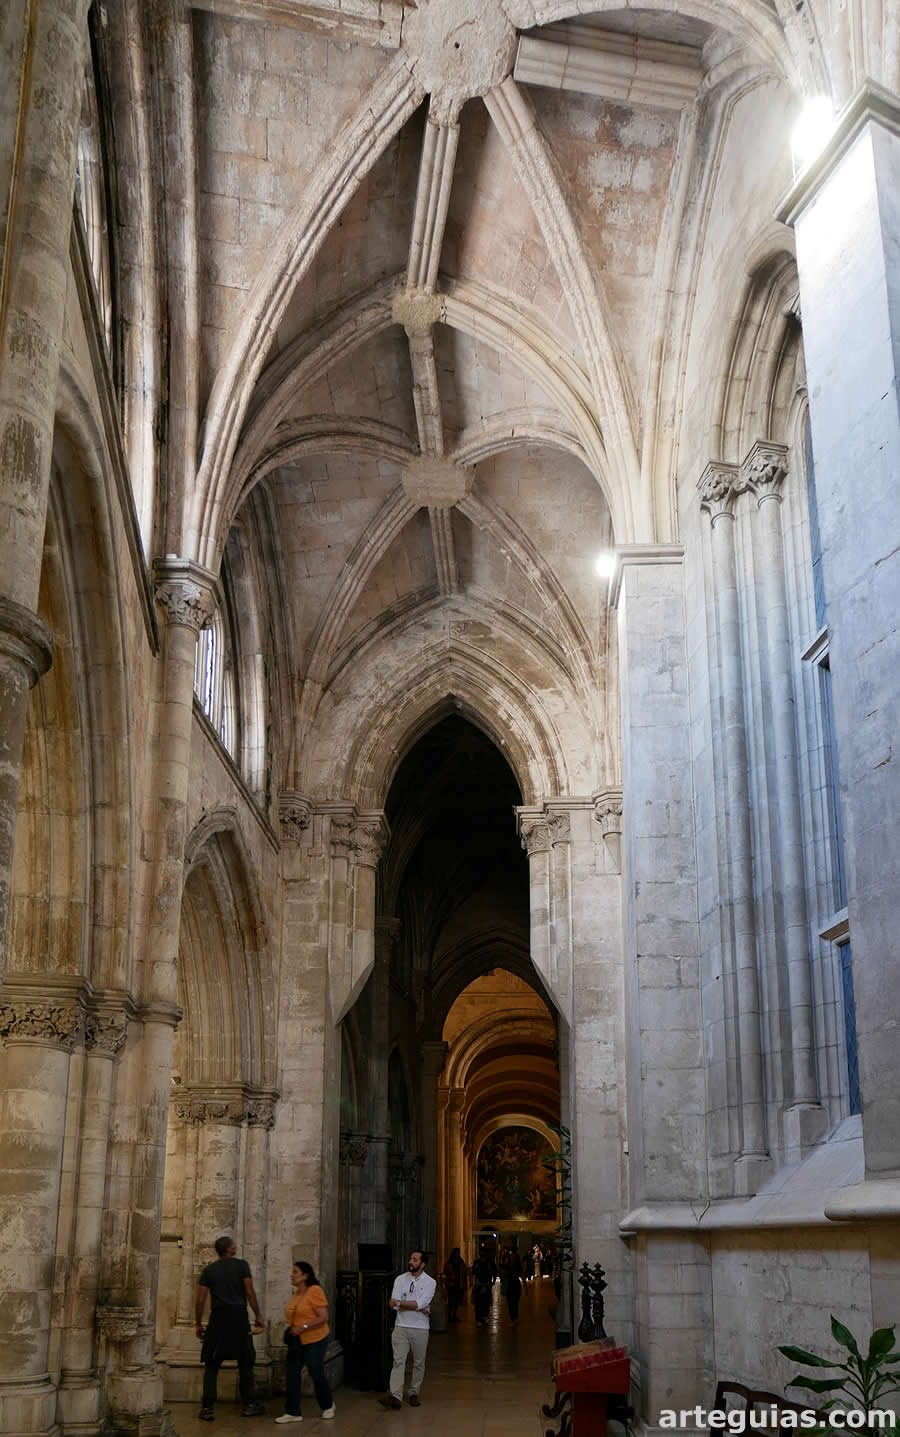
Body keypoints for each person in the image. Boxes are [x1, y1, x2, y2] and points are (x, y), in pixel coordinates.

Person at [195, 1235, 265, 1421]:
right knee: (245, 1362)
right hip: (238, 1318)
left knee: (211, 1364)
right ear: (228, 1249)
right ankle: (249, 1404)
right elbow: (249, 1292)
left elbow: (200, 1300)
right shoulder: (242, 1266)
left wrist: (197, 1323)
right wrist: (258, 1315)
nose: (235, 1246)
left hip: (217, 1319)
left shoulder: (209, 1270)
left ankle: (207, 1408)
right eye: (233, 1244)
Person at [275, 1260, 336, 1423]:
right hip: (297, 1341)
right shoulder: (297, 1293)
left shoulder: (315, 1290)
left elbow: (323, 1318)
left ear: (305, 1275)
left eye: (295, 1272)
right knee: (292, 1374)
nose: (291, 1275)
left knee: (315, 1372)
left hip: (316, 1339)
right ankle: (293, 1412)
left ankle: (328, 1405)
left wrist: (303, 1327)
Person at [378, 1250, 436, 1410]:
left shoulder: (430, 1282)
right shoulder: (400, 1279)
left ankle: (413, 1393)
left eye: (415, 1259)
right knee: (398, 1361)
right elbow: (392, 1303)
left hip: (420, 1328)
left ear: (422, 1264)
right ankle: (395, 1396)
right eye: (410, 1258)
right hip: (401, 1326)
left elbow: (420, 1303)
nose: (410, 1261)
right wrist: (417, 1306)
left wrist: (406, 1304)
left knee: (418, 1363)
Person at [470, 1249, 497, 1326]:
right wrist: (475, 1268)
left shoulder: (489, 1262)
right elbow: (473, 1272)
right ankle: (478, 1318)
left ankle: (485, 1316)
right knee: (478, 1302)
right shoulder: (477, 1262)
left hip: (487, 1284)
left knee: (486, 1301)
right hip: (479, 1284)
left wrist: (493, 1281)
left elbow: (494, 1271)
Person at [443, 1247, 467, 1323]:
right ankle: (450, 1316)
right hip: (451, 1284)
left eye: (458, 1253)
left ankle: (454, 1315)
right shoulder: (449, 1262)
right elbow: (445, 1271)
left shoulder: (461, 1262)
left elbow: (464, 1273)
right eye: (456, 1253)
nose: (457, 1254)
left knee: (457, 1301)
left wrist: (464, 1283)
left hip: (459, 1284)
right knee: (451, 1301)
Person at [504, 1249, 524, 1326]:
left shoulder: (517, 1265)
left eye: (513, 1255)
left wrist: (525, 1287)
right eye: (511, 1255)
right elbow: (504, 1273)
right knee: (510, 1303)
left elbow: (522, 1275)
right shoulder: (508, 1264)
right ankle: (513, 1318)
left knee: (515, 1302)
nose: (512, 1257)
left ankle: (514, 1318)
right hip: (510, 1285)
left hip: (515, 1285)